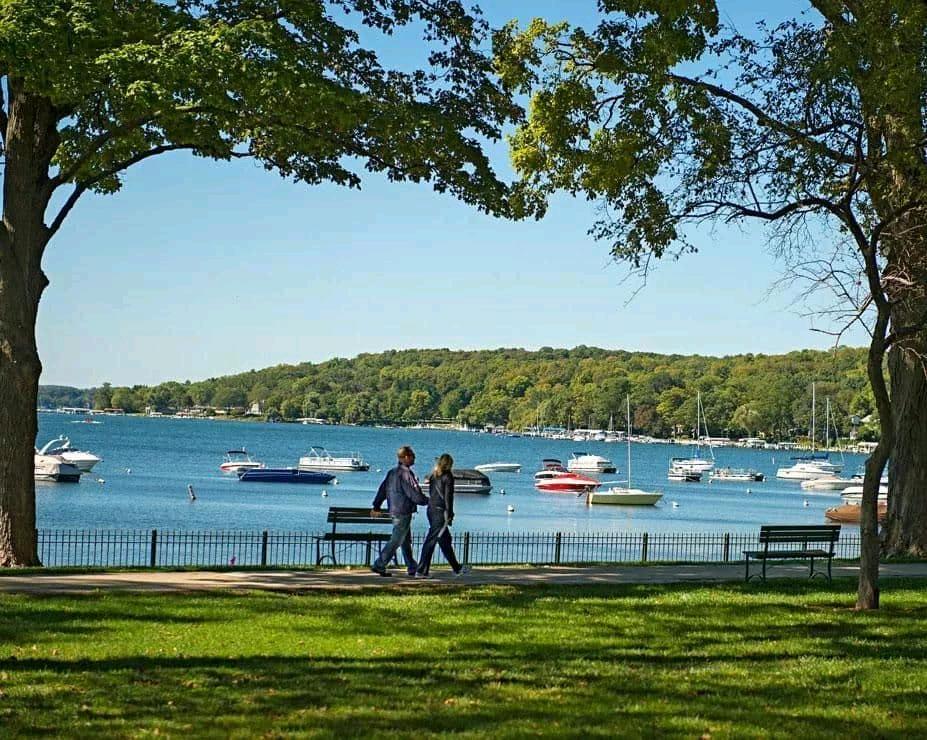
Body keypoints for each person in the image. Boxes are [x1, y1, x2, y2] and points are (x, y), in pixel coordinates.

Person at [370, 445, 428, 577]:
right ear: (406, 457)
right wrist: (428, 501)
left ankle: (412, 566)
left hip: (394, 510)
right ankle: (379, 564)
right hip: (403, 511)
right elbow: (414, 494)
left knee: (405, 540)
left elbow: (382, 490)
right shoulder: (406, 474)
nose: (414, 458)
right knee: (397, 539)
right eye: (413, 456)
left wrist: (376, 505)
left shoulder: (392, 473)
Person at [415, 453, 469, 577]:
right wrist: (450, 513)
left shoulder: (434, 476)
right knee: (431, 540)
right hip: (441, 511)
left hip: (431, 509)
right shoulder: (448, 477)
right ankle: (421, 570)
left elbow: (433, 493)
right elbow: (448, 497)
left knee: (445, 540)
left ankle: (456, 568)